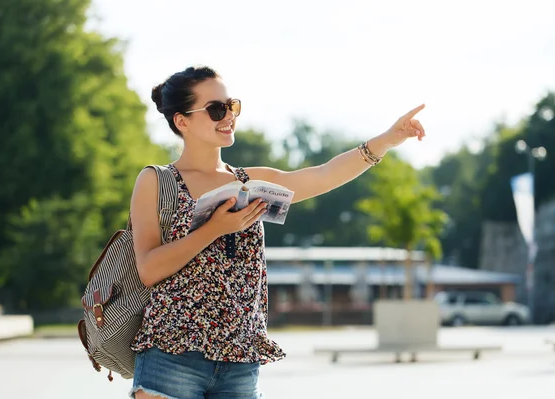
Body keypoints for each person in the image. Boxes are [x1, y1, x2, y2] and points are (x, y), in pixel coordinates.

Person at [129, 65, 426, 399]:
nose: (228, 116)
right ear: (182, 121)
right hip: (171, 357)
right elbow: (148, 269)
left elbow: (323, 175)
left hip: (240, 362)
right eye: (216, 109)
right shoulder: (155, 181)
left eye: (232, 106)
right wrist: (215, 229)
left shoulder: (249, 181)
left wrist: (387, 139)